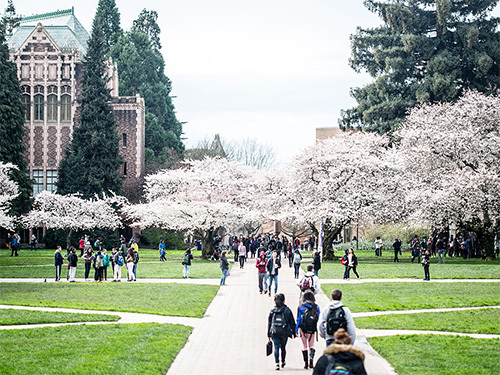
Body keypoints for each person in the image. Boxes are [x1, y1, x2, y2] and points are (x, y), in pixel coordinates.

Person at [267, 293, 296, 371]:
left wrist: (268, 333)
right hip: (284, 331)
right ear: (284, 300)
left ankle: (277, 363)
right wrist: (293, 332)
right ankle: (283, 361)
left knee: (276, 347)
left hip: (275, 331)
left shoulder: (273, 310)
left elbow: (269, 322)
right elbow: (292, 322)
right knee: (283, 347)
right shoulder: (287, 310)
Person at [296, 291, 320, 369]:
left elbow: (298, 319)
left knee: (304, 345)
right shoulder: (316, 307)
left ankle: (306, 363)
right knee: (311, 345)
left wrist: (296, 330)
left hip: (303, 329)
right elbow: (318, 318)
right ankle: (311, 359)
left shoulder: (301, 307)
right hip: (312, 329)